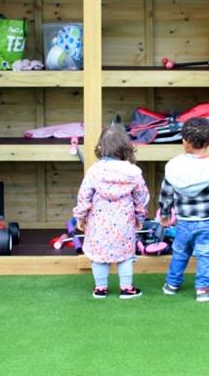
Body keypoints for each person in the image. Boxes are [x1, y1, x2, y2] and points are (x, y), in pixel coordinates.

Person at [159, 117, 209, 302]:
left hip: (183, 223)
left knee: (179, 253)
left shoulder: (174, 167)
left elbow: (166, 193)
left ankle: (171, 284)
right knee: (206, 256)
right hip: (207, 223)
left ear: (184, 142)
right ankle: (203, 289)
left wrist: (164, 213)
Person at [72, 126, 150, 299]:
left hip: (98, 223)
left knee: (99, 257)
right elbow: (142, 198)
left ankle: (100, 289)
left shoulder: (95, 171)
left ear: (101, 147)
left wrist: (80, 217)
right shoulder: (133, 172)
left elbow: (84, 196)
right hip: (124, 222)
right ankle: (127, 288)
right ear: (126, 148)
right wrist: (140, 217)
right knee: (126, 256)